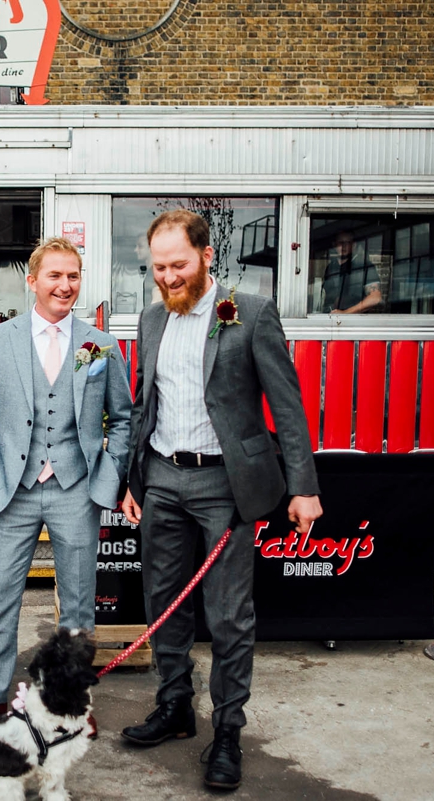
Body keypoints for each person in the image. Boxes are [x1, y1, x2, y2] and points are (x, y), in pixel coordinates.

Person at [119, 210, 322, 791]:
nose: (167, 277)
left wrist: (304, 487)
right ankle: (175, 707)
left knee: (230, 615)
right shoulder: (151, 319)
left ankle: (227, 731)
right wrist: (134, 481)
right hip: (161, 478)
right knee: (162, 603)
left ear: (207, 256)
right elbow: (144, 405)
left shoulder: (250, 313)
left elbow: (286, 406)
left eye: (178, 265)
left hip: (225, 487)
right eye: (158, 268)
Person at [0, 237, 132, 735]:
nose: (64, 286)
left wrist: (107, 475)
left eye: (73, 276)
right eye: (54, 276)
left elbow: (122, 419)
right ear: (32, 281)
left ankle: (71, 702)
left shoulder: (98, 345)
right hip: (14, 488)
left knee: (78, 600)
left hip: (76, 489)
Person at [321, 231, 382, 314]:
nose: (344, 246)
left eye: (348, 242)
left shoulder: (364, 266)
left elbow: (375, 298)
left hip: (355, 322)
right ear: (334, 245)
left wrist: (345, 313)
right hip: (330, 318)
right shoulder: (331, 267)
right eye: (340, 242)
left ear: (353, 245)